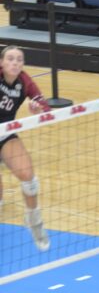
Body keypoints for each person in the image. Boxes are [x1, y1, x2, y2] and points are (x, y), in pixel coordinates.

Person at [0, 46, 50, 251]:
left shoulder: (24, 81)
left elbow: (44, 106)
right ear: (1, 62)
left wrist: (38, 108)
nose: (15, 62)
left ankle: (34, 220)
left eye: (19, 59)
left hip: (5, 133)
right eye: (10, 59)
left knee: (29, 179)